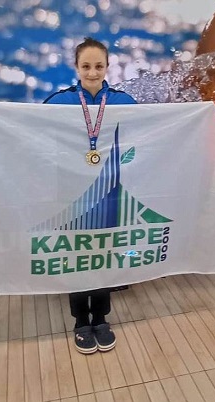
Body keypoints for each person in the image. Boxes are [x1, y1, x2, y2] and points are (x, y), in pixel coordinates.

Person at [44, 37, 137, 354]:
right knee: (76, 258)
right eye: (86, 66)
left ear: (108, 67)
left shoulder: (124, 103)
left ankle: (100, 317)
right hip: (71, 196)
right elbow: (22, 124)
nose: (93, 73)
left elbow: (157, 126)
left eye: (99, 66)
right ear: (76, 67)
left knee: (103, 256)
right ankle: (80, 320)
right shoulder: (59, 103)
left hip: (108, 196)